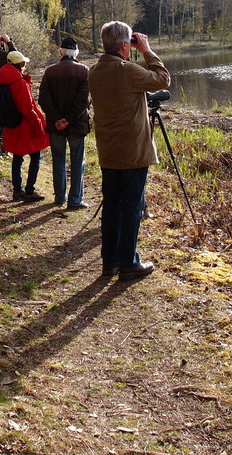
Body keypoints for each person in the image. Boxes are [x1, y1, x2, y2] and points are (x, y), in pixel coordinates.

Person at [88, 21, 170, 282]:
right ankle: (128, 263)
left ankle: (109, 262)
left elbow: (118, 99)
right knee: (132, 207)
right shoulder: (128, 71)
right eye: (130, 44)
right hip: (132, 151)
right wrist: (146, 50)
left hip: (108, 150)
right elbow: (162, 78)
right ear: (125, 45)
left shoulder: (94, 71)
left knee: (112, 206)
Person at [38, 37, 91, 210]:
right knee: (77, 162)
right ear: (75, 53)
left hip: (56, 126)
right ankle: (75, 199)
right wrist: (68, 119)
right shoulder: (84, 71)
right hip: (76, 125)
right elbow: (83, 101)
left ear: (61, 52)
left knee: (58, 160)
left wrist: (58, 119)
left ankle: (60, 197)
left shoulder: (50, 71)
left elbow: (44, 99)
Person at [0, 51, 49, 201]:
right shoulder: (19, 82)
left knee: (17, 157)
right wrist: (39, 125)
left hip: (11, 124)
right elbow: (28, 108)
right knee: (35, 157)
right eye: (24, 64)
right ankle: (29, 191)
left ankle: (17, 190)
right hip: (25, 125)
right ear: (20, 65)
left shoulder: (2, 80)